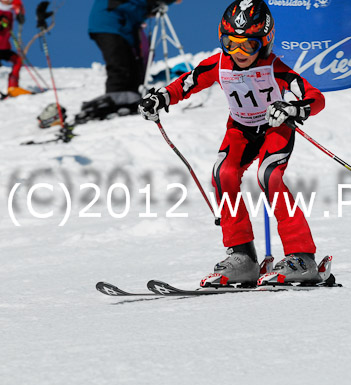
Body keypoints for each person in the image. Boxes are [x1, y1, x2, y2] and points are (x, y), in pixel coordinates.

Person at [139, 0, 326, 287]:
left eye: (248, 46)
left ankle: (302, 258)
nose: (238, 52)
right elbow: (186, 83)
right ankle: (243, 258)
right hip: (240, 129)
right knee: (223, 174)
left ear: (265, 42)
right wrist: (159, 99)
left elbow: (315, 97)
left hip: (275, 127)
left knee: (270, 177)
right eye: (230, 43)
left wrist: (293, 108)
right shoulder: (219, 64)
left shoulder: (275, 67)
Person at [80, 0, 181, 121]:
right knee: (120, 62)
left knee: (132, 64)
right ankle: (116, 97)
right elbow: (132, 5)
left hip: (119, 27)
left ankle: (128, 97)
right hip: (110, 25)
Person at [0, 0, 30, 97]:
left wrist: (20, 15)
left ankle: (13, 87)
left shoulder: (11, 8)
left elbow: (19, 8)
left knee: (17, 60)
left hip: (4, 47)